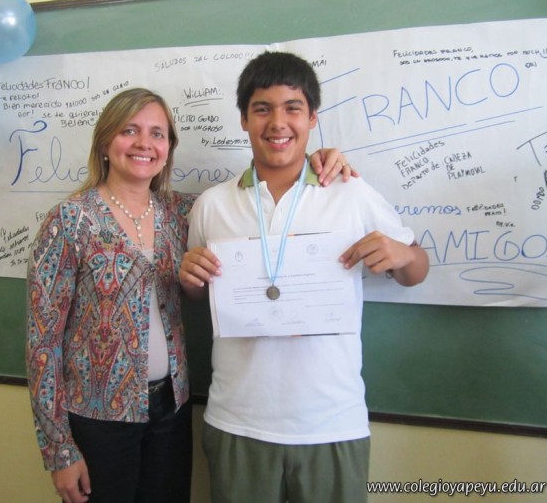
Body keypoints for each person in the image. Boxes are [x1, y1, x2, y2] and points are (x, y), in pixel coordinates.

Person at [25, 86, 355, 503]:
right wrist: (58, 450)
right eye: (129, 131)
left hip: (172, 411)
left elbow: (255, 202)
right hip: (97, 418)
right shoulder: (70, 220)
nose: (144, 143)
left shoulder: (183, 212)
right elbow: (42, 343)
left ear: (168, 149)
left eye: (157, 134)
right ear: (106, 142)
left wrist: (314, 161)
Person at [179, 52, 429, 503]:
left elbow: (416, 272)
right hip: (237, 420)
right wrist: (190, 280)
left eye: (292, 108)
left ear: (312, 117)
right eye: (262, 109)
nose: (278, 123)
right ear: (243, 119)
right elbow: (199, 294)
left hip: (332, 422)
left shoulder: (350, 192)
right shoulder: (211, 205)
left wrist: (403, 254)